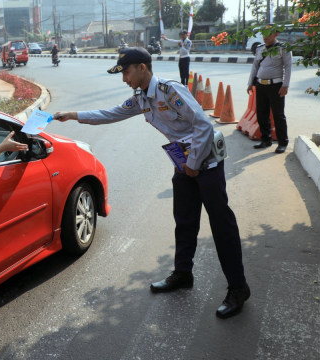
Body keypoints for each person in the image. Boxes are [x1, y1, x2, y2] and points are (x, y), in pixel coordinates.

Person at [53, 47, 250, 319]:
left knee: (221, 224)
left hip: (205, 164)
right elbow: (111, 113)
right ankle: (183, 274)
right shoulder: (141, 98)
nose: (124, 78)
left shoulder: (171, 91)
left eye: (126, 71)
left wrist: (193, 165)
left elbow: (203, 125)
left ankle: (238, 288)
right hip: (183, 163)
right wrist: (73, 114)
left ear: (142, 68)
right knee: (184, 221)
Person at [247, 24, 292, 154]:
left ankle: (283, 142)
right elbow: (255, 67)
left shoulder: (283, 48)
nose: (265, 37)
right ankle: (266, 139)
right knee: (261, 113)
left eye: (269, 34)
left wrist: (285, 85)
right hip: (261, 85)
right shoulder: (260, 48)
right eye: (264, 34)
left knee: (278, 115)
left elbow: (288, 67)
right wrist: (250, 83)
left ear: (276, 34)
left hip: (276, 86)